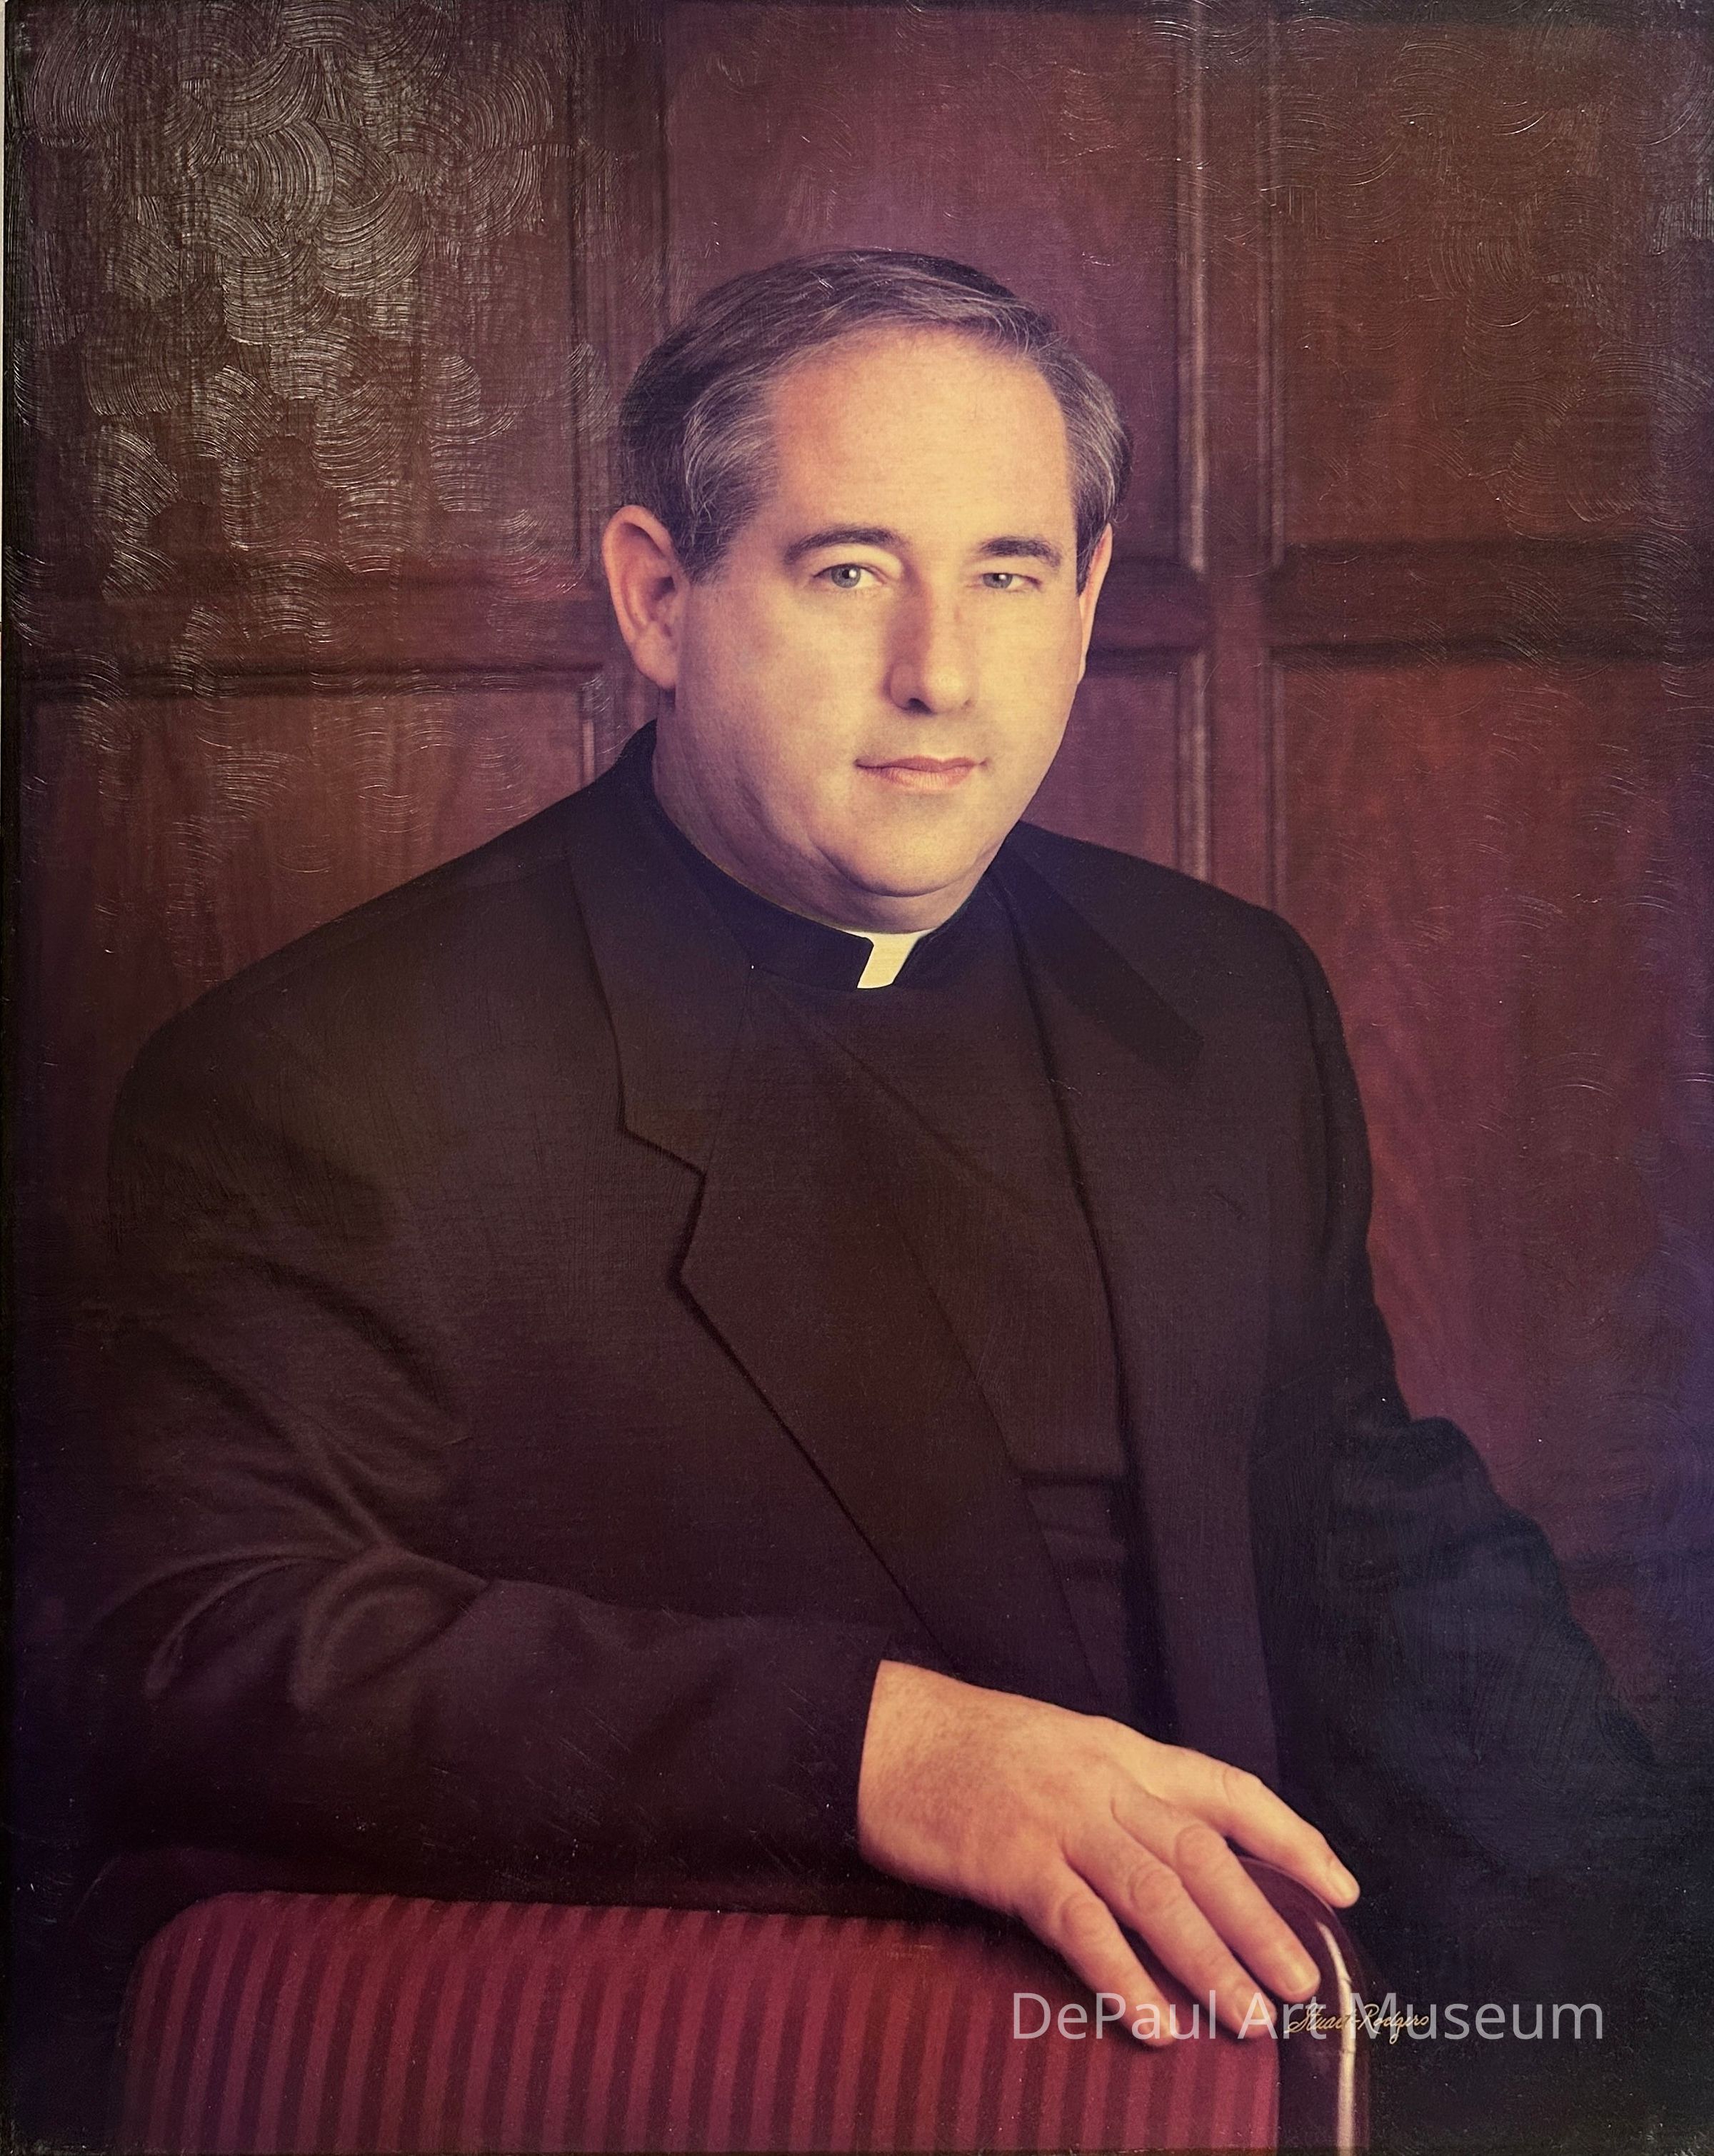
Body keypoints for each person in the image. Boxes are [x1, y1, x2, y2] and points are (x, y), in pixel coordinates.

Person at [86, 251, 1694, 2138]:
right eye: (850, 570)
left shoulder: (1225, 998)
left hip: (1230, 2087)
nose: (942, 669)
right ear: (659, 599)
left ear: (1086, 599)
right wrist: (878, 1747)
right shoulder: (335, 1072)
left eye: (1009, 574)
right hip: (769, 2086)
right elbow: (203, 1643)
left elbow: (1375, 1556)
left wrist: (1662, 1996)